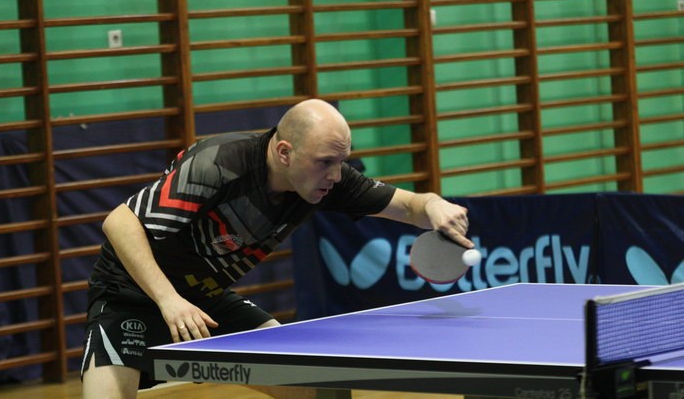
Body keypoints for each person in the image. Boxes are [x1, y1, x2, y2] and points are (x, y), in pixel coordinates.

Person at [81, 99, 471, 398]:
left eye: (342, 161)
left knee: (320, 389)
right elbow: (120, 222)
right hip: (129, 296)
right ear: (284, 152)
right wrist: (168, 300)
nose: (336, 175)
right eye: (325, 162)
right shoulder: (217, 164)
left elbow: (410, 206)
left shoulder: (326, 180)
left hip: (205, 300)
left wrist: (434, 206)